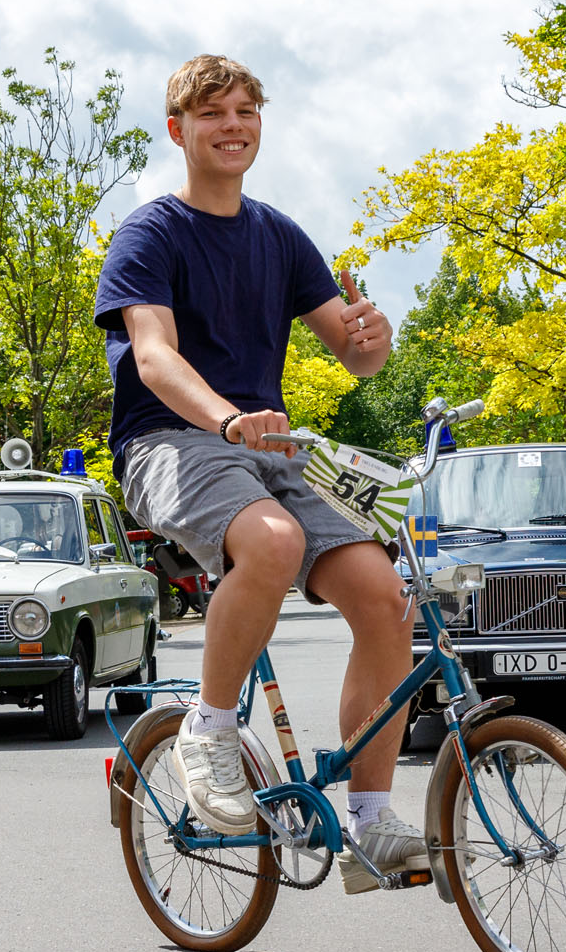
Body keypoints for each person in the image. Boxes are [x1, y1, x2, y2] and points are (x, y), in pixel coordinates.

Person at [93, 55, 422, 894]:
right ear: (179, 131)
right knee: (270, 545)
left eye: (246, 110)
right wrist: (229, 418)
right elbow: (156, 358)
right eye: (212, 114)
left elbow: (354, 358)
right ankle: (207, 732)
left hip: (266, 449)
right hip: (171, 440)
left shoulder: (279, 235)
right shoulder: (151, 233)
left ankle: (372, 820)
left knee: (387, 598)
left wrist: (371, 340)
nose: (233, 124)